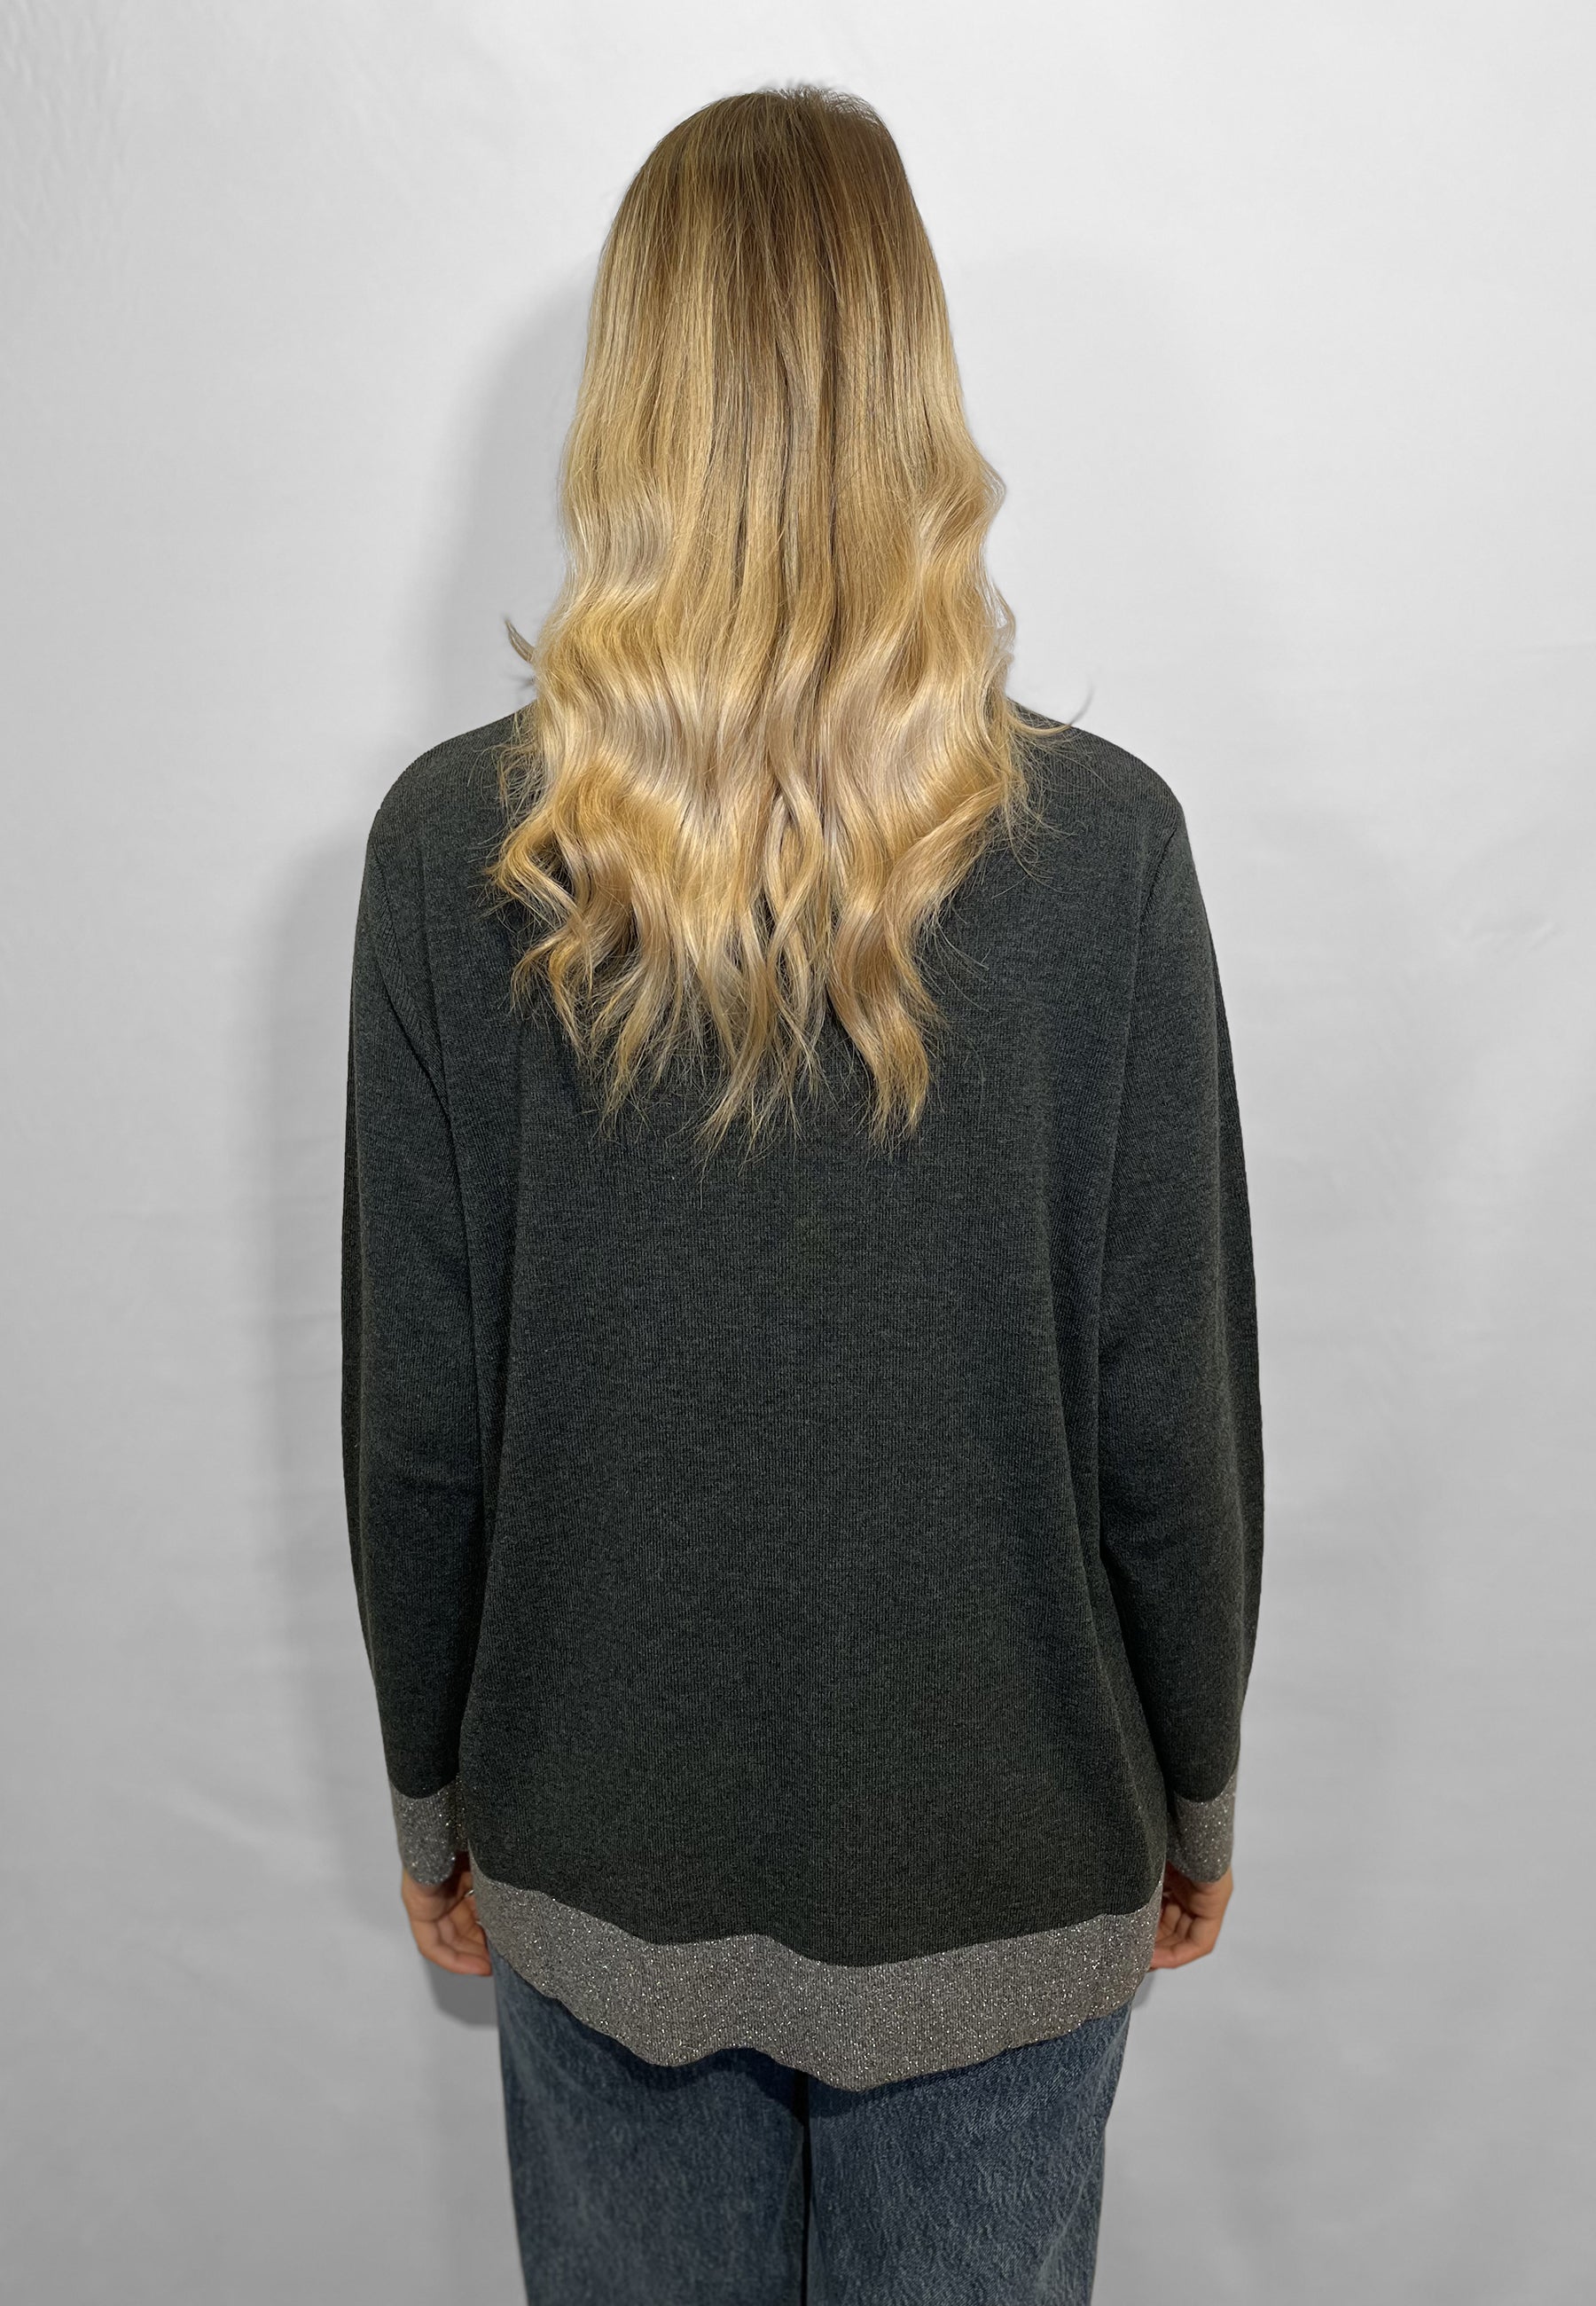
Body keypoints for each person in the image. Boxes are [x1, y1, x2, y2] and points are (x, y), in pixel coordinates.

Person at [341, 82, 1263, 2306]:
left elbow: (417, 1426)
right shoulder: (1105, 857)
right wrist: (1198, 1788)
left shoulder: (459, 857)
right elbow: (1172, 1417)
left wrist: (435, 1800)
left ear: (629, 407)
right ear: (911, 392)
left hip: (601, 1849)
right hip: (1002, 1866)